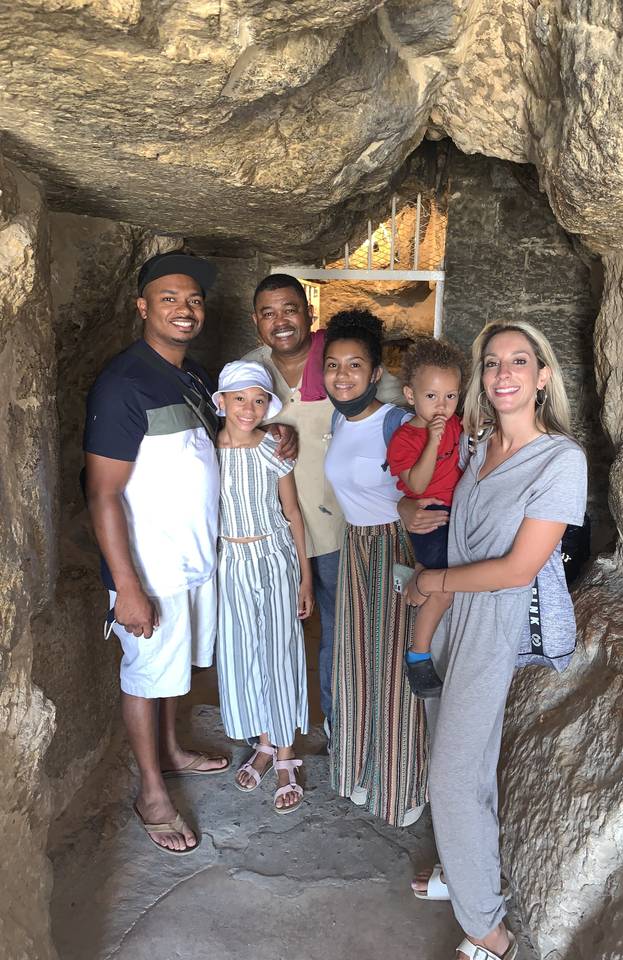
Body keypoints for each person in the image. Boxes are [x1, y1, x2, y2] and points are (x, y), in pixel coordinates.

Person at [404, 321, 587, 960]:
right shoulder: (478, 448)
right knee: (462, 762)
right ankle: (464, 867)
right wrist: (428, 605)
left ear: (542, 376)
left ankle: (489, 928)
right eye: (490, 363)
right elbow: (433, 510)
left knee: (452, 775)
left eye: (519, 361)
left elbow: (517, 569)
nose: (502, 373)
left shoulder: (562, 460)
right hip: (450, 614)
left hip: (492, 621)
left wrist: (431, 580)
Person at [83, 252, 229, 856]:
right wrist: (129, 585)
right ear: (143, 307)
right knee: (146, 676)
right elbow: (103, 491)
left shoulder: (193, 375)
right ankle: (151, 792)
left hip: (193, 559)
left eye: (193, 299)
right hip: (152, 569)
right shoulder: (123, 383)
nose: (184, 309)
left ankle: (169, 751)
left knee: (175, 669)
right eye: (169, 298)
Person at [243, 275, 405, 735]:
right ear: (256, 321)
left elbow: (394, 410)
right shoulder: (250, 370)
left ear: (308, 312)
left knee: (340, 630)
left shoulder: (339, 361)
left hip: (340, 526)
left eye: (290, 309)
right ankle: (274, 734)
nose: (281, 321)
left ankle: (339, 726)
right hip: (275, 529)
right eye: (269, 312)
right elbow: (229, 430)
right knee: (272, 631)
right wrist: (261, 432)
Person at [323, 309, 427, 827]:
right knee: (357, 667)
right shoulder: (340, 418)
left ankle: (403, 785)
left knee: (395, 670)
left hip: (395, 551)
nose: (343, 376)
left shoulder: (398, 424)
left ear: (375, 373)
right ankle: (362, 771)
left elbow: (435, 489)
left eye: (355, 365)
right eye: (334, 365)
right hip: (357, 548)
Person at [213, 360, 313, 815]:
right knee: (243, 651)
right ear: (221, 402)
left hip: (274, 558)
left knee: (281, 649)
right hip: (231, 561)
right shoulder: (207, 451)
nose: (248, 409)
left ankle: (286, 752)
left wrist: (305, 577)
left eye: (258, 400)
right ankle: (265, 742)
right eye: (239, 399)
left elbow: (292, 512)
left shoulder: (274, 448)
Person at [386, 337, 466, 698]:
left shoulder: (457, 424)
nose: (442, 406)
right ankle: (418, 656)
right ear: (410, 395)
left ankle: (418, 576)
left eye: (450, 396)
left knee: (452, 577)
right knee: (446, 589)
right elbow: (416, 483)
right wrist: (432, 442)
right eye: (432, 396)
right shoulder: (404, 438)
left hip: (457, 514)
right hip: (430, 514)